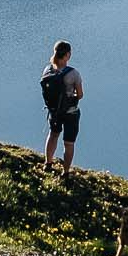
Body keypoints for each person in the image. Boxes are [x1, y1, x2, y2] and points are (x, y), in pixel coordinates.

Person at [40, 40, 84, 171]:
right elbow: (80, 94)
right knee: (69, 143)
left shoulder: (47, 70)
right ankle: (65, 173)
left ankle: (48, 164)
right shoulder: (73, 73)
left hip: (54, 111)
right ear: (68, 55)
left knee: (53, 135)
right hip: (71, 112)